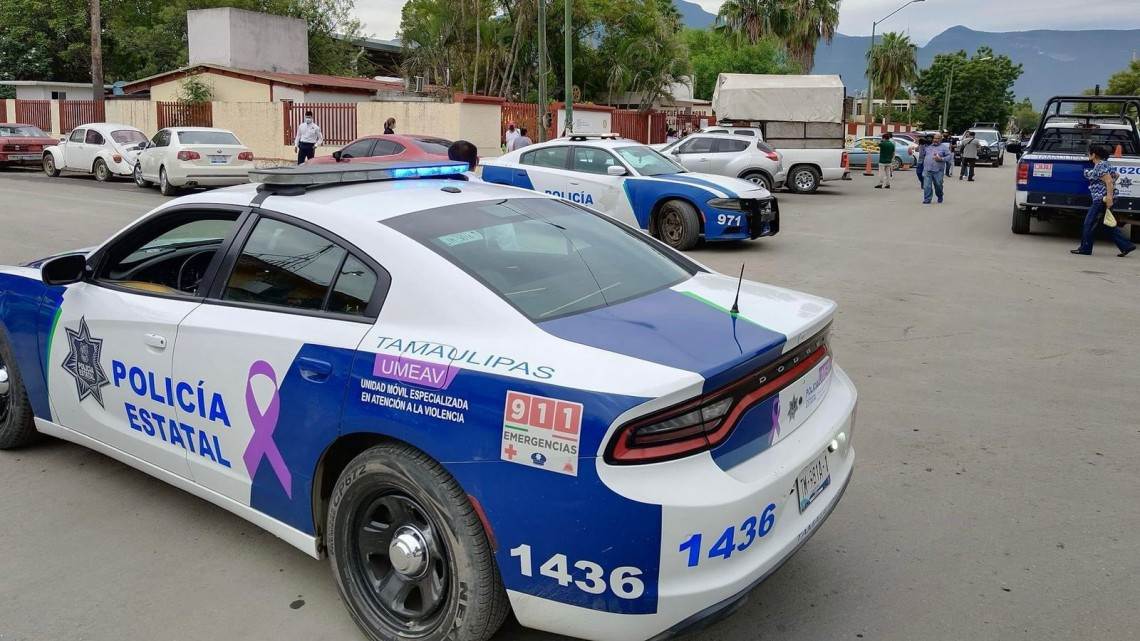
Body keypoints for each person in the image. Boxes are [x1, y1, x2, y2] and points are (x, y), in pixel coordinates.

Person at [1072, 143, 1136, 257]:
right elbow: (1116, 175)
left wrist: (1109, 198)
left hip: (1101, 199)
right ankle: (1126, 246)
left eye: (1089, 153)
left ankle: (1085, 248)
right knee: (1106, 224)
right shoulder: (1106, 164)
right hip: (1105, 198)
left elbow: (1109, 182)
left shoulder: (1100, 165)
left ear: (1094, 155)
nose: (1088, 155)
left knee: (1088, 223)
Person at [922, 132, 952, 204]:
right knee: (926, 185)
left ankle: (940, 195)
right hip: (927, 169)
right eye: (934, 138)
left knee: (938, 184)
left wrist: (941, 159)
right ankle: (927, 199)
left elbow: (949, 156)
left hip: (938, 169)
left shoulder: (944, 147)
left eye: (937, 139)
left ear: (941, 139)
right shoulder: (928, 146)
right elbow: (921, 153)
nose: (935, 140)